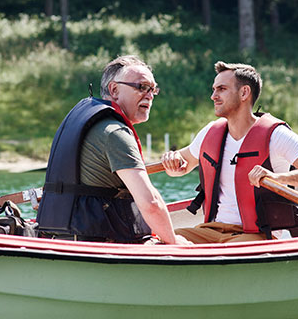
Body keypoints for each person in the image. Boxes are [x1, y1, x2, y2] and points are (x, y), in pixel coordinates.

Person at [161, 61, 298, 243]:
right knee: (164, 240)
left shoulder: (276, 136)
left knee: (225, 253)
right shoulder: (209, 132)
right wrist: (172, 161)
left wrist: (278, 178)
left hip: (257, 235)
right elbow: (182, 162)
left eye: (221, 89)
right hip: (212, 230)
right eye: (213, 89)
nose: (213, 96)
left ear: (244, 92)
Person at [36, 55, 189, 245]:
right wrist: (174, 243)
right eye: (141, 87)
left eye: (153, 89)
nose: (149, 95)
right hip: (97, 240)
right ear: (114, 90)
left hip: (59, 234)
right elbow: (151, 204)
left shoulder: (88, 123)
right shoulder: (115, 133)